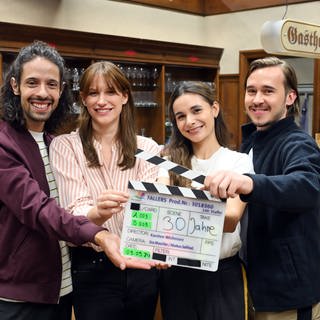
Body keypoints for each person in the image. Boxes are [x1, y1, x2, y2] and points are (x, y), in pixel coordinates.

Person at [0, 41, 153, 320]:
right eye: (32, 83)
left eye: (52, 84)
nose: (42, 93)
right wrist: (100, 233)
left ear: (61, 91)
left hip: (61, 287)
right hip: (19, 292)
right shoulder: (5, 144)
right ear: (15, 86)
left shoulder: (49, 142)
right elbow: (39, 210)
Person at [204, 57, 320, 320]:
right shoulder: (252, 142)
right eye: (251, 90)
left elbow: (307, 185)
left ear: (290, 97)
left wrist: (249, 182)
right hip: (253, 286)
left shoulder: (297, 143)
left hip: (288, 294)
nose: (257, 99)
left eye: (268, 91)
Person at [49, 61, 162, 320]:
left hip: (142, 265)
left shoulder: (149, 149)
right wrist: (97, 212)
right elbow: (72, 212)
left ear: (124, 96)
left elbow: (150, 213)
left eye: (110, 92)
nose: (102, 101)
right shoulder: (66, 146)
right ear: (83, 100)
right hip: (92, 266)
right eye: (93, 93)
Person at [156, 81, 254, 320]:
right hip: (177, 273)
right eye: (180, 116)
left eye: (196, 110)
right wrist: (208, 205)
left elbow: (230, 220)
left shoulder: (238, 162)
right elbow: (159, 217)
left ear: (215, 109)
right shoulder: (167, 160)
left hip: (222, 274)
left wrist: (179, 211)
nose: (189, 121)